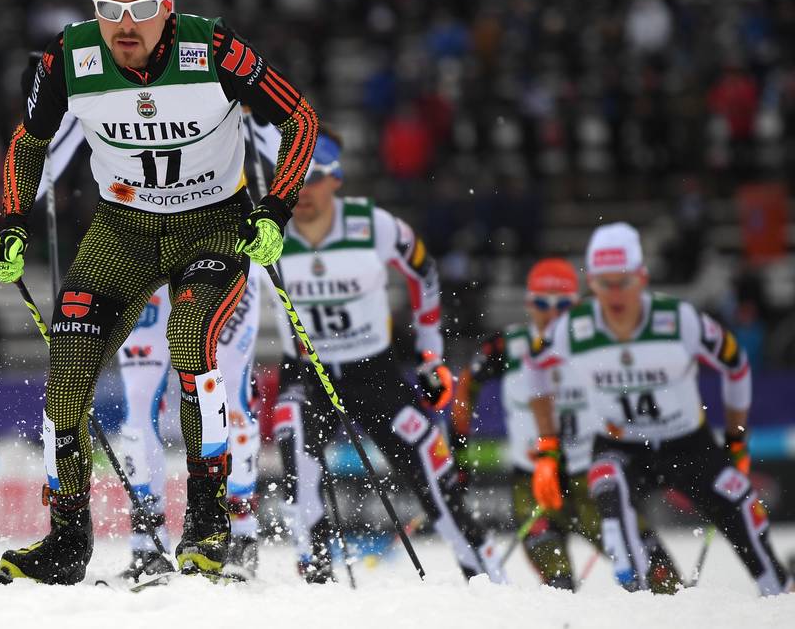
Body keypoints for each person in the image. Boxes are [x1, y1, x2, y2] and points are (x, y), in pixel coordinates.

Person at [0, 0, 319, 584]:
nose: (123, 25)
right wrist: (12, 221)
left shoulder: (213, 47)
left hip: (212, 223)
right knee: (68, 370)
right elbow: (28, 142)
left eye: (139, 9)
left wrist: (275, 209)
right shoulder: (70, 57)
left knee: (190, 337)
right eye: (108, 10)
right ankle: (66, 539)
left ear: (167, 8)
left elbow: (300, 119)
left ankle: (208, 520)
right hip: (124, 230)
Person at [271, 127, 505, 584]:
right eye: (293, 180)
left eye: (313, 179)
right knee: (293, 435)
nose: (302, 192)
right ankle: (314, 568)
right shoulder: (268, 230)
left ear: (335, 179)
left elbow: (423, 273)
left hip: (370, 368)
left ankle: (483, 570)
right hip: (305, 371)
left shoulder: (374, 226)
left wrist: (431, 354)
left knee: (429, 458)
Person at [527, 222, 791, 595]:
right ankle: (640, 598)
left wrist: (736, 438)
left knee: (742, 506)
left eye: (624, 282)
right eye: (604, 284)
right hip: (621, 447)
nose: (615, 295)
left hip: (687, 443)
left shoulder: (678, 320)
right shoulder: (573, 328)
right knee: (607, 487)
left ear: (642, 277)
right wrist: (548, 445)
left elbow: (736, 365)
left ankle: (779, 593)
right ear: (593, 283)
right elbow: (534, 367)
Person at [452, 258, 679, 592]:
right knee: (559, 585)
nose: (553, 313)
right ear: (530, 303)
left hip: (592, 483)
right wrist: (459, 448)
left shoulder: (600, 344)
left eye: (564, 305)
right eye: (543, 303)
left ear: (578, 305)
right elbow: (466, 386)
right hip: (534, 486)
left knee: (659, 574)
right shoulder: (509, 347)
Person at [115, 266, 264, 580]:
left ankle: (241, 534)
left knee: (226, 391)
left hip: (215, 259)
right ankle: (147, 544)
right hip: (145, 261)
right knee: (139, 400)